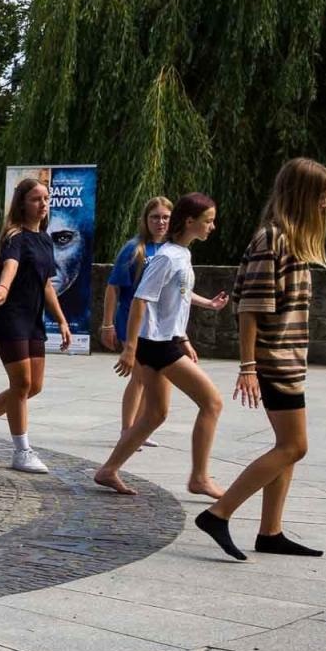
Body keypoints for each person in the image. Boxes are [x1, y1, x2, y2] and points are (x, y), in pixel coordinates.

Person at [192, 159, 326, 561]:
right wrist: (248, 367)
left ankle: (270, 532)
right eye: (321, 196)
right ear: (302, 196)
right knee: (294, 446)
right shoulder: (271, 240)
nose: (325, 205)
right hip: (274, 361)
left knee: (288, 445)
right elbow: (249, 308)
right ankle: (218, 513)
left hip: (289, 360)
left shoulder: (292, 242)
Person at [92, 193, 230, 498]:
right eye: (208, 221)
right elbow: (140, 299)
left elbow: (176, 298)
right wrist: (130, 348)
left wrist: (190, 327)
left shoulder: (181, 254)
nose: (212, 226)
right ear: (190, 221)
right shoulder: (167, 256)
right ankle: (199, 478)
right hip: (156, 344)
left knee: (155, 414)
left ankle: (108, 470)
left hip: (164, 340)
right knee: (212, 403)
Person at [0, 178, 72, 472]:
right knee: (21, 384)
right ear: (22, 203)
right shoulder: (15, 237)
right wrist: (4, 287)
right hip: (9, 316)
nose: (43, 204)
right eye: (36, 199)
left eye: (46, 198)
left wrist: (62, 320)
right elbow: (11, 265)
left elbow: (45, 284)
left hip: (32, 319)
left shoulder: (44, 239)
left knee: (33, 386)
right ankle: (22, 452)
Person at [102, 197, 172, 447]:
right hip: (132, 320)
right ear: (145, 220)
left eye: (165, 217)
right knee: (139, 377)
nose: (160, 222)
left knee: (153, 378)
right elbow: (113, 287)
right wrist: (107, 324)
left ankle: (141, 428)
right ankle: (127, 430)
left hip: (158, 324)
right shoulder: (134, 249)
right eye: (155, 217)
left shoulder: (171, 249)